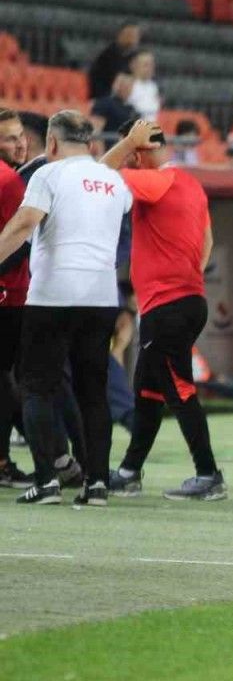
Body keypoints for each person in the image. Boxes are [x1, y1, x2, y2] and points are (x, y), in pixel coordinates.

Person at [0, 110, 131, 506]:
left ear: (52, 143)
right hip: (101, 297)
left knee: (38, 387)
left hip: (53, 295)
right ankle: (96, 485)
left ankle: (47, 481)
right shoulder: (114, 181)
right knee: (93, 391)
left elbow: (24, 224)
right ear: (90, 143)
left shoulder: (47, 175)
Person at [99, 119, 223, 499]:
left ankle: (208, 475)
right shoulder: (190, 184)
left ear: (140, 150)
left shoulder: (156, 181)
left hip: (167, 305)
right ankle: (130, 470)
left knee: (179, 389)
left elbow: (95, 176)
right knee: (148, 391)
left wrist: (125, 146)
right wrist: (185, 277)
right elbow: (208, 239)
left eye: (133, 151)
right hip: (184, 300)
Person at [0, 107, 33, 488]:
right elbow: (20, 241)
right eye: (10, 137)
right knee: (8, 380)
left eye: (20, 134)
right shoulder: (10, 181)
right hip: (10, 294)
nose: (20, 142)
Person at [88, 23, 141, 100]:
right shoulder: (108, 54)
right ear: (120, 35)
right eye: (129, 34)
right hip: (105, 96)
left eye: (135, 35)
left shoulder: (136, 56)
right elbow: (97, 81)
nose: (132, 38)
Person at [126, 50, 161, 122]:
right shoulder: (128, 84)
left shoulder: (153, 86)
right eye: (146, 65)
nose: (150, 68)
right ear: (134, 66)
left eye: (152, 65)